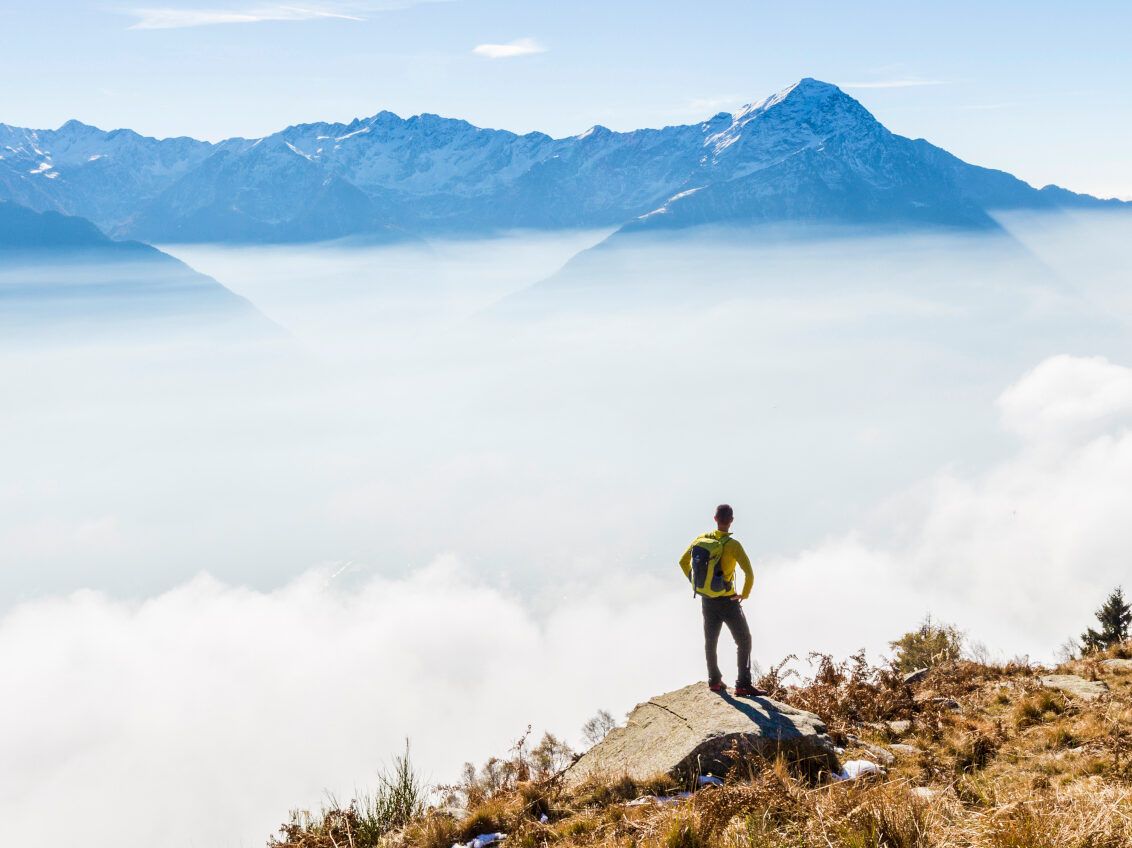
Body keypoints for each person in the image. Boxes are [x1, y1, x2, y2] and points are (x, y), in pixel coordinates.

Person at [679, 504, 766, 697]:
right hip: (728, 601)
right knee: (744, 640)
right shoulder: (733, 545)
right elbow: (749, 574)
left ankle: (714, 681)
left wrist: (695, 582)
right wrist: (744, 594)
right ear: (731, 520)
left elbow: (682, 562)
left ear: (715, 518)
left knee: (711, 641)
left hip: (706, 600)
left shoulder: (701, 540)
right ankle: (743, 684)